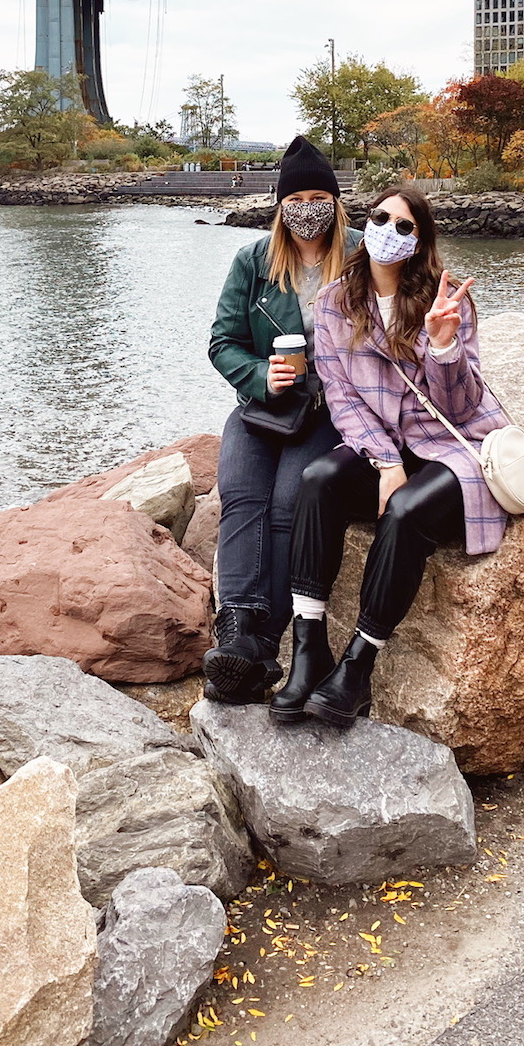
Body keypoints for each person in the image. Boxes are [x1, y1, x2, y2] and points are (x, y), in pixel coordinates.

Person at [269, 184, 509, 729]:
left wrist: (443, 344)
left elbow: (461, 405)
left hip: (452, 444)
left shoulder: (446, 302)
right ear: (364, 221)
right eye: (381, 218)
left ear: (419, 241)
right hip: (387, 445)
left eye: (405, 226)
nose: (388, 232)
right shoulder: (334, 301)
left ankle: (358, 665)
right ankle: (309, 651)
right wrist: (384, 460)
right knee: (318, 479)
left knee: (404, 514)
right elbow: (340, 394)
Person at [205, 136, 361, 703]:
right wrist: (258, 376)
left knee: (287, 504)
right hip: (263, 405)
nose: (308, 207)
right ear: (281, 203)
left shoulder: (364, 255)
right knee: (241, 494)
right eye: (298, 197)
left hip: (327, 408)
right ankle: (237, 630)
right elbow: (223, 342)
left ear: (336, 202)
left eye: (321, 195)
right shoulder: (253, 261)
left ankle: (266, 641)